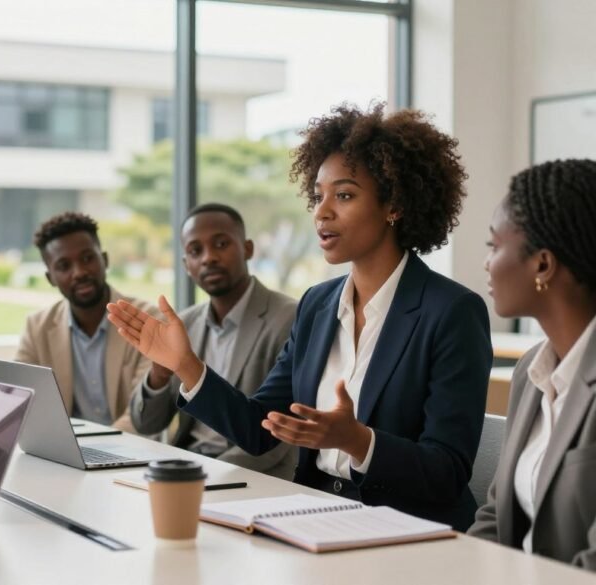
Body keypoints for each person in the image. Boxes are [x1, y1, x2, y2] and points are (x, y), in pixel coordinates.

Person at [109, 103, 492, 530]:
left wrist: (357, 440)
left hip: (409, 531)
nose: (321, 211)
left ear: (394, 205)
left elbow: (448, 472)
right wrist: (187, 366)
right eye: (317, 196)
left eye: (343, 195)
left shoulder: (451, 311)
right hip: (316, 517)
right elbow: (260, 429)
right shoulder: (317, 305)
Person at [468, 159, 596, 569]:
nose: (486, 263)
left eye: (494, 246)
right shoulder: (530, 373)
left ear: (542, 264)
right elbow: (494, 515)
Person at [129, 203, 298, 478]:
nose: (209, 258)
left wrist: (205, 474)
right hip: (188, 466)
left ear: (248, 248)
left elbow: (276, 437)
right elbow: (145, 423)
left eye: (221, 244)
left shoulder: (289, 318)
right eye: (195, 251)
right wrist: (159, 374)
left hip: (253, 475)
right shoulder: (184, 324)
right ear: (186, 265)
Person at [15, 212, 154, 431]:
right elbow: (22, 402)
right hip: (65, 451)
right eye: (63, 266)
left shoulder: (145, 320)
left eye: (88, 258)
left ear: (105, 260)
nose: (79, 272)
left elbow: (143, 413)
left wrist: (99, 450)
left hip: (132, 447)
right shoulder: (37, 327)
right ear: (50, 278)